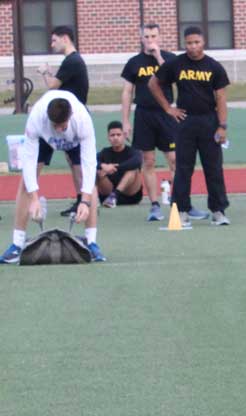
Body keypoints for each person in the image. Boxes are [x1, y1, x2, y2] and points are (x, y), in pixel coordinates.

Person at [1, 90, 105, 264]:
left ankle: (92, 243)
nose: (58, 129)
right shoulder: (37, 119)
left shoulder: (82, 120)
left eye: (62, 126)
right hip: (44, 139)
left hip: (75, 140)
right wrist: (34, 198)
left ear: (70, 116)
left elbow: (90, 164)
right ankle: (17, 245)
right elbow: (28, 161)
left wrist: (85, 202)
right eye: (54, 125)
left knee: (85, 179)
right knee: (26, 183)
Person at [150, 26, 231, 227]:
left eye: (196, 42)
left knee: (213, 168)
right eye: (189, 43)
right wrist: (168, 108)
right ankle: (181, 211)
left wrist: (222, 126)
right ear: (184, 43)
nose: (193, 46)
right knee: (183, 168)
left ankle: (218, 211)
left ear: (203, 42)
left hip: (209, 121)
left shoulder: (214, 66)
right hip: (185, 121)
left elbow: (221, 98)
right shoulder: (176, 63)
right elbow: (153, 83)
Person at [121, 23, 178, 222]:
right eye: (146, 36)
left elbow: (172, 78)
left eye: (153, 36)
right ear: (141, 38)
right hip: (144, 114)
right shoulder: (134, 62)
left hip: (166, 113)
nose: (150, 40)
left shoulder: (169, 59)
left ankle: (178, 202)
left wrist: (158, 56)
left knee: (174, 159)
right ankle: (154, 205)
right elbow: (127, 92)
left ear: (160, 38)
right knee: (148, 160)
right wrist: (125, 120)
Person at [35, 26, 90, 217]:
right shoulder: (71, 61)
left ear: (65, 38)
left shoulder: (72, 61)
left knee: (76, 162)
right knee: (72, 160)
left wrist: (44, 72)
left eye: (54, 40)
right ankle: (81, 200)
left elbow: (52, 86)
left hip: (70, 118)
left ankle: (83, 202)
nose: (52, 44)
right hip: (63, 114)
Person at [96, 121, 143, 208]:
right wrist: (103, 166)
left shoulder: (133, 151)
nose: (115, 138)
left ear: (124, 136)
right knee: (98, 170)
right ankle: (90, 199)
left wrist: (116, 167)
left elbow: (138, 161)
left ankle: (115, 195)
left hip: (130, 195)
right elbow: (91, 161)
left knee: (134, 169)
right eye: (112, 135)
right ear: (108, 137)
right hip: (107, 195)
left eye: (118, 135)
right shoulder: (105, 152)